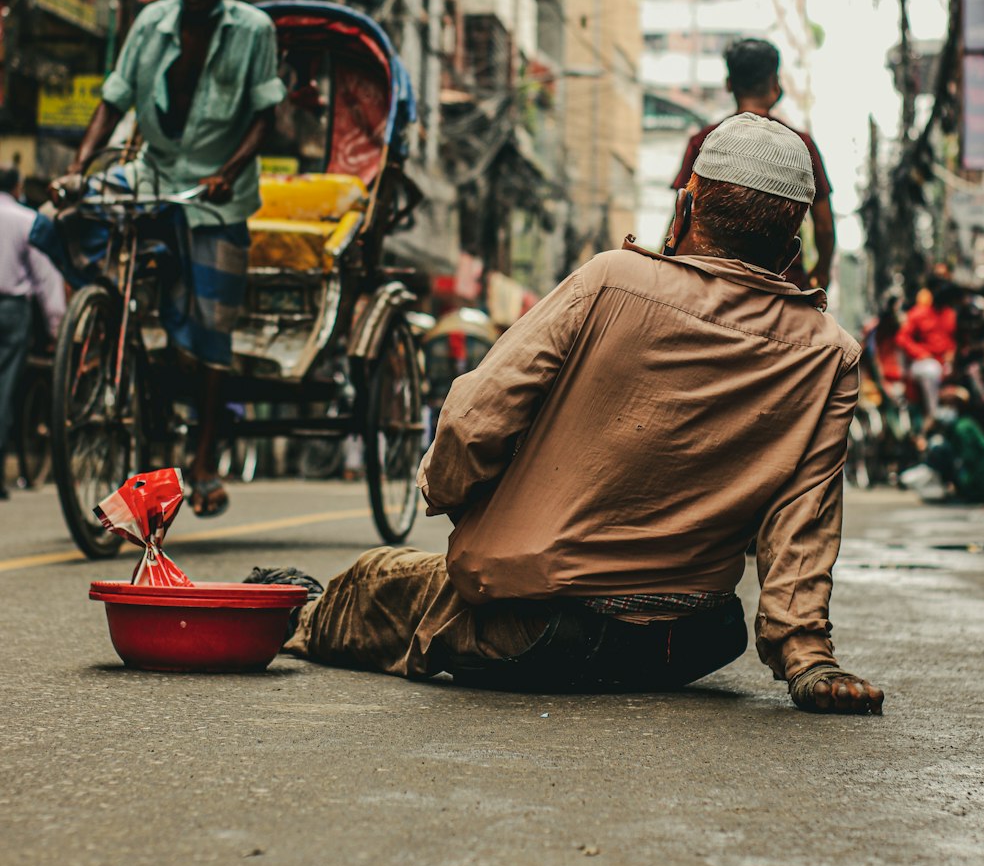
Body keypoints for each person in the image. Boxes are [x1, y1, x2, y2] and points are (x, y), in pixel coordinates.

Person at [253, 115, 883, 715]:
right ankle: (302, 598)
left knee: (380, 582)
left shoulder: (612, 281)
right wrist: (808, 658)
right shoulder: (829, 353)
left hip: (541, 630)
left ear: (686, 208)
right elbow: (804, 520)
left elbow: (473, 420)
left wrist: (451, 494)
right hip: (693, 641)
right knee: (425, 592)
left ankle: (294, 608)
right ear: (790, 250)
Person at [53, 0, 285, 517]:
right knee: (66, 218)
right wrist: (78, 167)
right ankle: (106, 324)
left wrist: (230, 170)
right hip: (153, 173)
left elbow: (266, 114)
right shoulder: (150, 22)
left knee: (211, 334)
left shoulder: (253, 30)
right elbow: (114, 99)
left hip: (216, 193)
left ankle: (203, 461)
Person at [671, 38, 835, 291]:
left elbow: (681, 212)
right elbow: (824, 225)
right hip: (780, 283)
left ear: (728, 84)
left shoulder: (704, 140)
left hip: (708, 278)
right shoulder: (800, 146)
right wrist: (822, 270)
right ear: (775, 84)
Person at [0, 166, 66, 498]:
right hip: (12, 310)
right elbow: (46, 278)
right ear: (18, 187)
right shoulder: (26, 220)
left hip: (14, 309)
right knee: (5, 388)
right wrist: (58, 329)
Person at [896, 279, 957, 422]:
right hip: (922, 363)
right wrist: (920, 353)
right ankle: (933, 413)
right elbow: (902, 338)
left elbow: (951, 341)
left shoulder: (949, 314)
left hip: (943, 363)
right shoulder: (918, 313)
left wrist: (951, 353)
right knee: (931, 369)